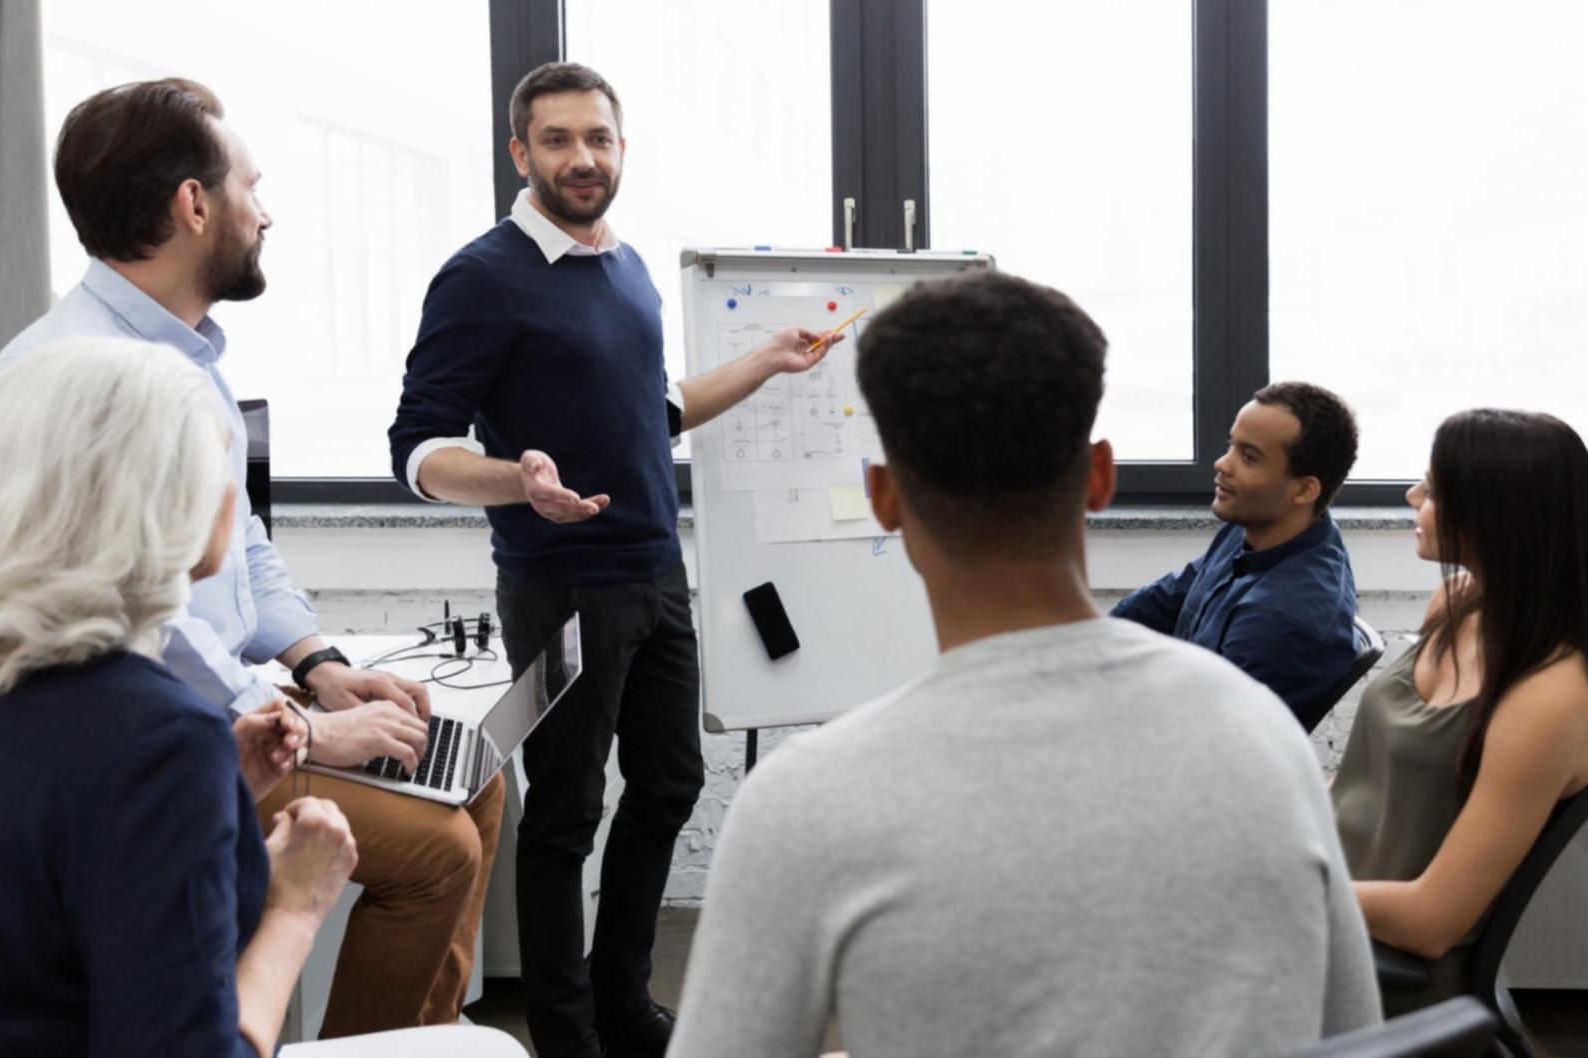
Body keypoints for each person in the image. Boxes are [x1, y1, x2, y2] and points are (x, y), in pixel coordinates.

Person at [665, 272, 1381, 1058]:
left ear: (883, 499)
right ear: (1099, 478)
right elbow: (1349, 1034)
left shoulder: (801, 802)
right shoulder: (1264, 743)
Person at [0, 78, 503, 1036]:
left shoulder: (186, 355)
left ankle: (413, 1045)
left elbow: (242, 545)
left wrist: (318, 664)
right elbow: (136, 605)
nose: (264, 213)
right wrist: (299, 728)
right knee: (437, 850)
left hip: (223, 705)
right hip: (166, 725)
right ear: (193, 204)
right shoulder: (68, 373)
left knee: (475, 778)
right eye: (250, 187)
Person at [387, 62, 842, 1058]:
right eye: (557, 139)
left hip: (653, 576)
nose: (581, 157)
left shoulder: (624, 265)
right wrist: (518, 479)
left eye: (597, 138)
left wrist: (767, 358)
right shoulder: (482, 274)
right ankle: (566, 1033)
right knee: (564, 814)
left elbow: (655, 411)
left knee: (672, 780)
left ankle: (622, 1002)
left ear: (621, 147)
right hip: (558, 588)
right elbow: (415, 450)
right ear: (521, 153)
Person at [0, 338, 522, 1058]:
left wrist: (222, 784)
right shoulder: (157, 740)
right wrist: (294, 906)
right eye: (216, 470)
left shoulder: (4, 692)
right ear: (165, 507)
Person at [1330, 409, 1588, 1014]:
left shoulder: (1550, 698)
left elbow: (1432, 920)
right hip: (1328, 895)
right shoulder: (1456, 602)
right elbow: (1361, 787)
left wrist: (1278, 884)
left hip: (1382, 963)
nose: (1412, 495)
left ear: (1497, 517)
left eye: (1435, 489)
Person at [1112, 381, 1361, 727]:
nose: (1221, 464)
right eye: (1232, 446)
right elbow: (1163, 599)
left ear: (1304, 490)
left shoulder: (1278, 620)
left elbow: (1200, 738)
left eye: (1248, 457)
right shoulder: (1255, 529)